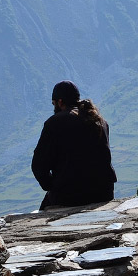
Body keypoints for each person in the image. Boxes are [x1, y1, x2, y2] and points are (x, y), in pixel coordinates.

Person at [32, 80, 117, 210]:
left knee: (44, 211)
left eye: (54, 104)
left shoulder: (55, 122)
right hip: (103, 193)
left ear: (60, 102)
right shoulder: (100, 121)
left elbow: (39, 165)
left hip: (70, 196)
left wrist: (52, 186)